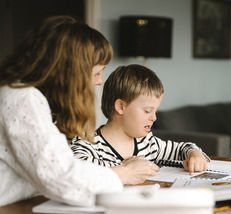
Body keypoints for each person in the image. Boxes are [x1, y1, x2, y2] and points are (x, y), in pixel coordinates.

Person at [0, 16, 159, 207]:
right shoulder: (22, 98)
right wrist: (124, 173)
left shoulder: (28, 97)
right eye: (97, 72)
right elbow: (61, 177)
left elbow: (56, 165)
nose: (99, 81)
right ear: (72, 72)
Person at [70, 64, 209, 173]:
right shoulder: (88, 144)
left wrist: (194, 154)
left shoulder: (147, 142)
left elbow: (183, 147)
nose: (154, 117)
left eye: (155, 110)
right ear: (121, 107)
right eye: (147, 110)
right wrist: (126, 167)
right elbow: (79, 171)